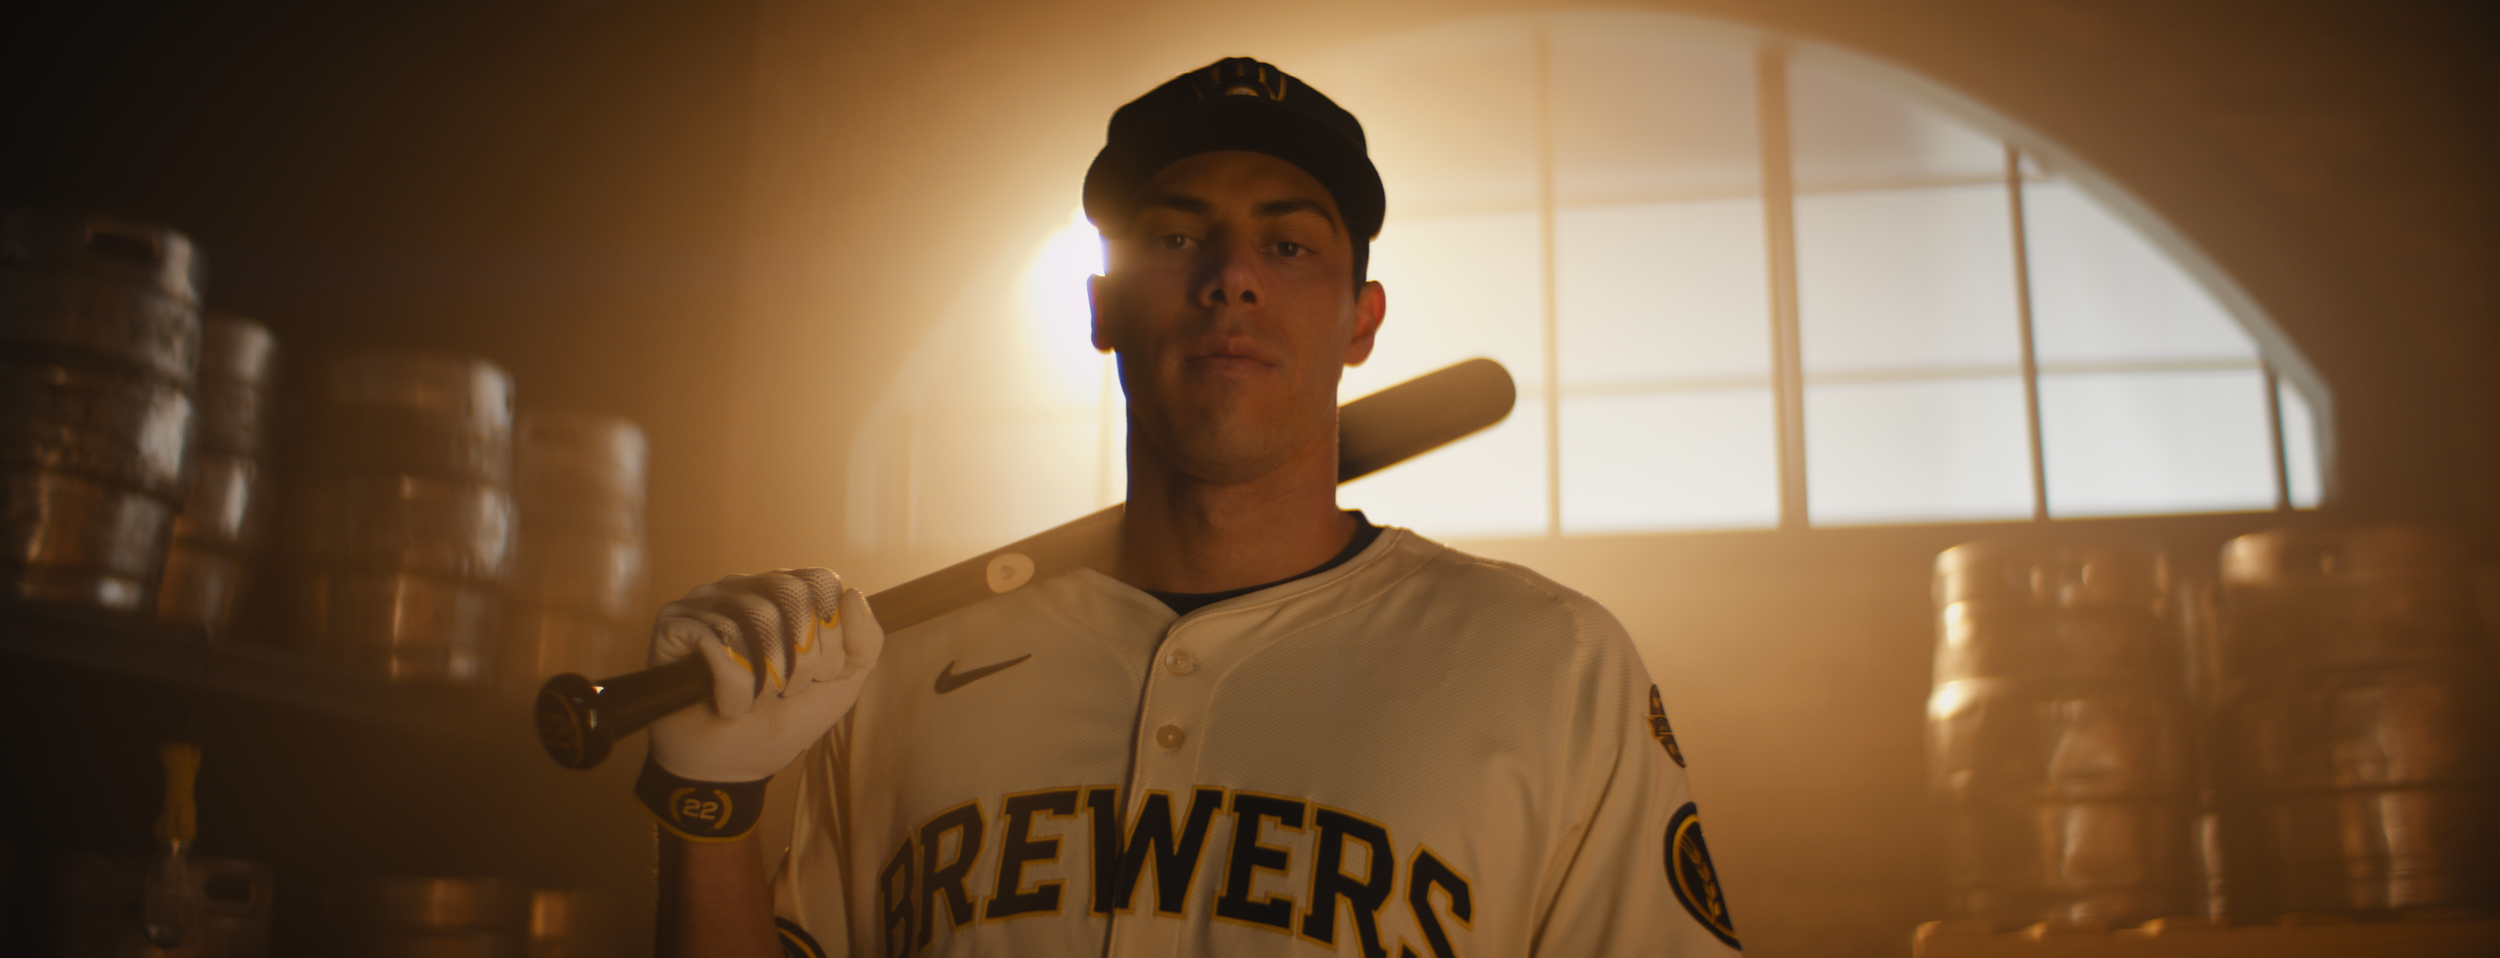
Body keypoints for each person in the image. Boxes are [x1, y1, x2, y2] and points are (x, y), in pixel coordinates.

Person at [642, 57, 1741, 957]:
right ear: (1101, 308)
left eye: (1288, 244)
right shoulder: (893, 675)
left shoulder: (1552, 664)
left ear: (1362, 320)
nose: (1230, 277)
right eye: (1175, 238)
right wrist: (709, 809)